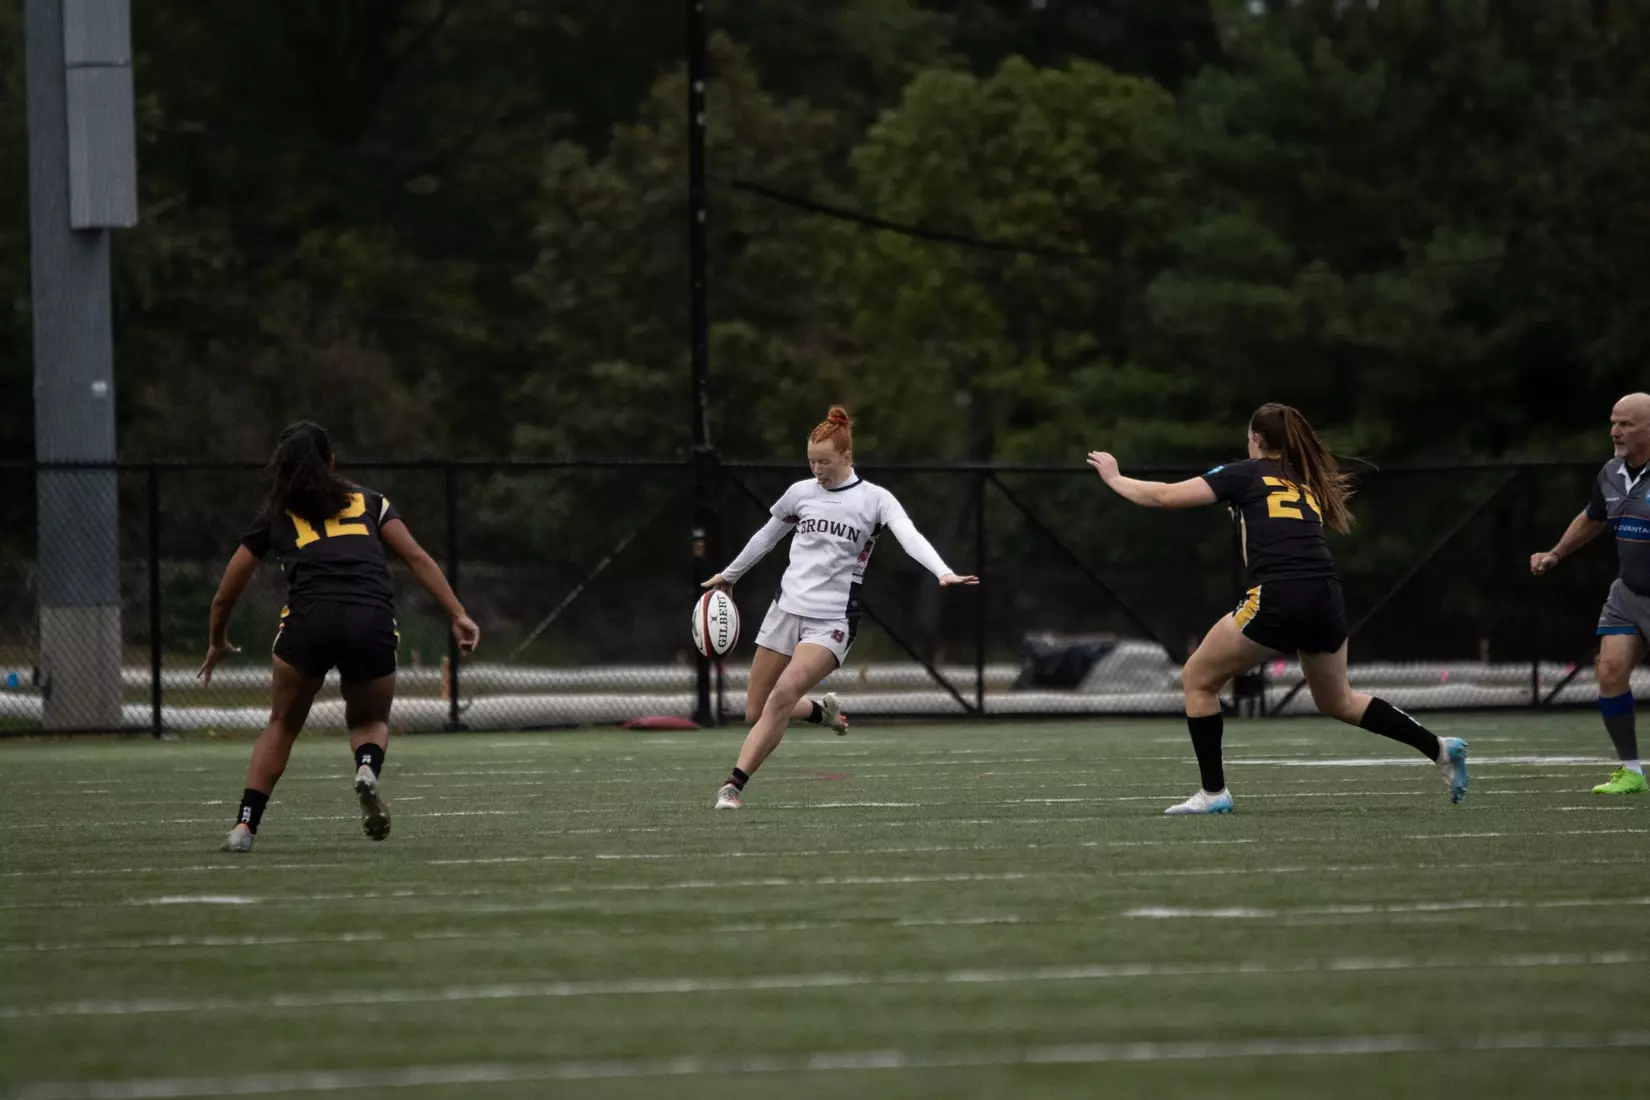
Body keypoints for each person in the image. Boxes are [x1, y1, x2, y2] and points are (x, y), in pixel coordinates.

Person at [1088, 402, 1468, 814]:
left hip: (1281, 595)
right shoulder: (1303, 480)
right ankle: (1439, 748)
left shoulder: (1245, 472)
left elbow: (1163, 497)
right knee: (1338, 700)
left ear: (1255, 439)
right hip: (1326, 594)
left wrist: (1113, 476)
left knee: (1197, 678)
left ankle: (1214, 795)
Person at [199, 421, 480, 852]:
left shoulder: (274, 516)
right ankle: (367, 767)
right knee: (369, 721)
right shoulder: (370, 501)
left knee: (282, 724)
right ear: (331, 461)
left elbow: (224, 595)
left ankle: (244, 827)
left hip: (309, 622)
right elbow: (417, 557)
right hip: (370, 619)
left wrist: (218, 640)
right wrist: (458, 614)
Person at [704, 406, 978, 808]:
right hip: (785, 611)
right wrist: (730, 575)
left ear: (847, 457)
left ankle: (733, 785)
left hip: (831, 621)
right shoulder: (800, 493)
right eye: (812, 461)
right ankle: (820, 710)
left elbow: (910, 536)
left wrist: (942, 570)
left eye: (825, 462)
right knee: (755, 710)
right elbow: (766, 538)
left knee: (780, 696)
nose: (818, 469)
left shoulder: (874, 500)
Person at [1530, 392, 1650, 795]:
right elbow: (1592, 516)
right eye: (1613, 423)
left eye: (1626, 424)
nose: (1615, 431)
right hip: (1628, 594)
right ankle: (1632, 771)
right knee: (1610, 671)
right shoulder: (1611, 473)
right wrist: (1556, 553)